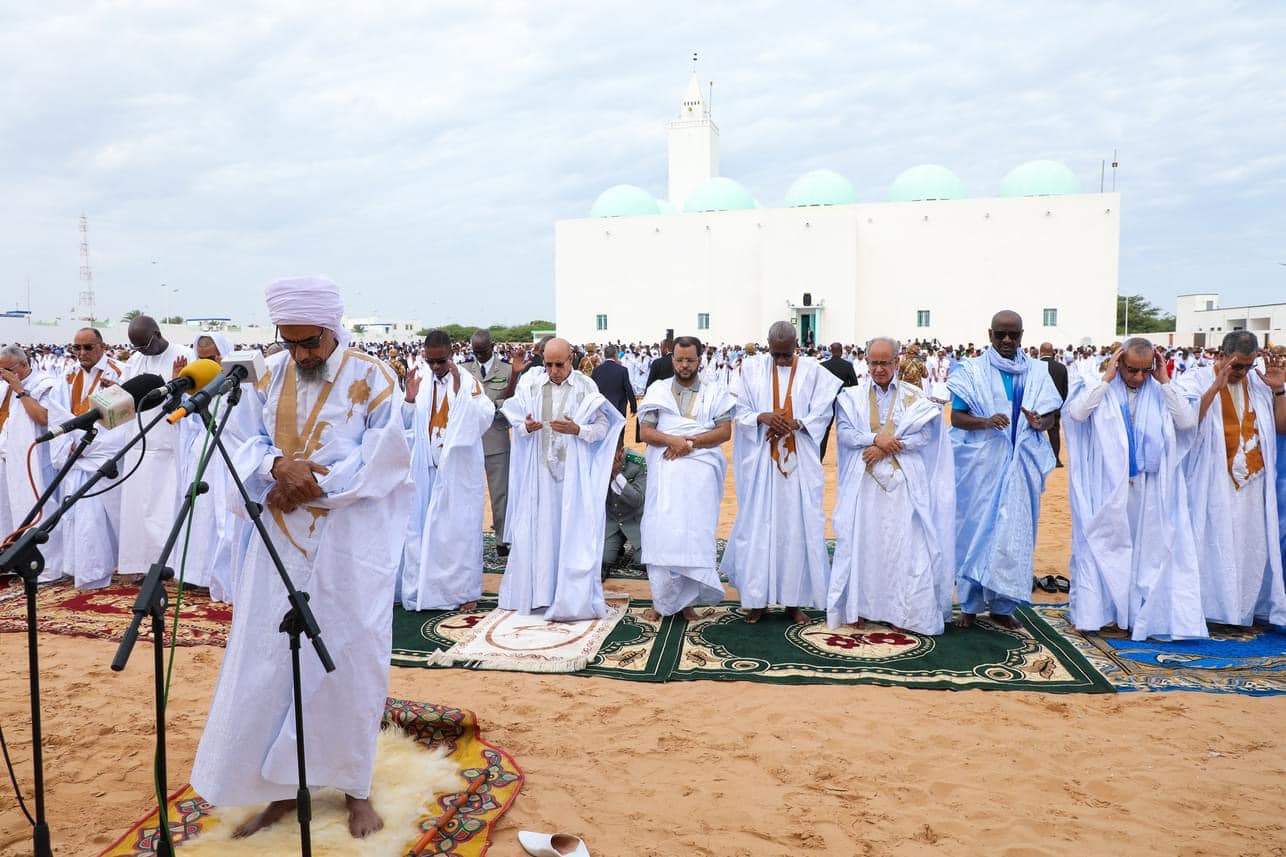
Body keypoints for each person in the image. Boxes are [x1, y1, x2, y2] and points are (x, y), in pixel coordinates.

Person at [191, 276, 412, 839]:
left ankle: (355, 787)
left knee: (350, 663)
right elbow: (240, 442)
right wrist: (273, 471)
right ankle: (280, 790)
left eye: (310, 341)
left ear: (333, 329)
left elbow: (386, 459)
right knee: (272, 663)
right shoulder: (265, 374)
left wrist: (316, 484)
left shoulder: (375, 377)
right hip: (278, 543)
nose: (301, 353)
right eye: (290, 342)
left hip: (348, 544)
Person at [1063, 339, 1206, 640]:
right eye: (1131, 370)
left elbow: (1186, 421)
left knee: (1145, 554)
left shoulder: (1161, 390)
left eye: (1145, 371)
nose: (1138, 378)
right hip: (1107, 486)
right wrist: (1106, 379)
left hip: (1148, 488)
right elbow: (1077, 413)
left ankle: (1136, 616)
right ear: (1118, 363)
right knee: (1102, 548)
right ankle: (1096, 614)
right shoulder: (1098, 386)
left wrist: (1164, 381)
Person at [826, 338, 955, 634]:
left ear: (897, 362)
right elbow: (845, 434)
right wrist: (874, 440)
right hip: (865, 485)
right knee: (864, 544)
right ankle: (860, 608)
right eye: (874, 363)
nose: (879, 369)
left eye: (885, 363)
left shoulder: (914, 397)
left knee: (904, 546)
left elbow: (925, 438)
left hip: (903, 484)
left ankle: (903, 612)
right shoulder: (852, 397)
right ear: (866, 363)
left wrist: (887, 448)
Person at [947, 311, 1063, 629]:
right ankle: (969, 607)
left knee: (1014, 535)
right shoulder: (970, 371)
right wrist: (985, 422)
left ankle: (1002, 606)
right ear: (990, 335)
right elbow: (957, 418)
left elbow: (1051, 417)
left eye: (1013, 335)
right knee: (974, 532)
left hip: (1022, 467)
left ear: (1022, 335)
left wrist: (1041, 423)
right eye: (1001, 335)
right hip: (980, 469)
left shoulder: (1038, 373)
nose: (1007, 341)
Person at [721, 321, 842, 624]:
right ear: (768, 346)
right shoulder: (749, 369)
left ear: (797, 346)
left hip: (799, 465)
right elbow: (735, 407)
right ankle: (756, 600)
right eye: (777, 355)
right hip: (762, 464)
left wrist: (797, 423)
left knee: (796, 529)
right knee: (760, 527)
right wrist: (762, 416)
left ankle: (793, 602)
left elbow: (824, 412)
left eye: (787, 355)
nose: (782, 361)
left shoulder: (814, 370)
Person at [498, 337, 625, 621]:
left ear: (572, 360)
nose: (553, 370)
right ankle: (540, 594)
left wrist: (578, 429)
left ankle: (570, 596)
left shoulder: (586, 387)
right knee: (539, 531)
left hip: (573, 478)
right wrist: (525, 427)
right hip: (538, 477)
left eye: (559, 364)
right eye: (548, 364)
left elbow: (604, 426)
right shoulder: (531, 384)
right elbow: (513, 415)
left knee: (572, 533)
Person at [1173, 332, 1286, 627]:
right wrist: (1215, 386)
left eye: (1248, 366)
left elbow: (1281, 427)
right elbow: (1183, 422)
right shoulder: (1193, 380)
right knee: (1211, 541)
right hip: (1210, 480)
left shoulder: (1259, 385)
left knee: (1248, 543)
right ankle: (1210, 609)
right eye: (1237, 366)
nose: (1242, 373)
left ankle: (1241, 610)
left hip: (1252, 482)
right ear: (1221, 355)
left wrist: (1279, 390)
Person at [638, 336, 735, 620]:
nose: (684, 365)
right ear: (672, 359)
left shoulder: (715, 391)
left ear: (699, 360)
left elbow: (724, 432)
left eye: (690, 360)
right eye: (679, 360)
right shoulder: (657, 390)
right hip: (665, 475)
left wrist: (689, 444)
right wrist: (673, 440)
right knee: (662, 533)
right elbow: (646, 432)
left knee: (693, 535)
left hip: (700, 475)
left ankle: (687, 603)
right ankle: (661, 602)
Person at [399, 330, 495, 612]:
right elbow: (402, 424)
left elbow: (484, 417)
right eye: (432, 362)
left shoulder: (467, 382)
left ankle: (460, 592)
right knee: (419, 530)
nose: (437, 367)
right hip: (424, 471)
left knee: (458, 532)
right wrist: (408, 399)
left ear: (452, 355)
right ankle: (421, 590)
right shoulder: (419, 379)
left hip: (456, 474)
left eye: (441, 361)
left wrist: (457, 394)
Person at [49, 327, 126, 589]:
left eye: (88, 347)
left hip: (102, 457)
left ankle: (110, 568)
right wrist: (69, 442)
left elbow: (122, 420)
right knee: (81, 516)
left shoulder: (118, 373)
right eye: (77, 348)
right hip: (75, 455)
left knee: (106, 517)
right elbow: (58, 413)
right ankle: (86, 568)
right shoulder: (68, 375)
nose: (81, 353)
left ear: (102, 347)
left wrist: (87, 445)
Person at [117, 315, 188, 577]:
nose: (142, 351)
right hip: (138, 442)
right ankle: (141, 564)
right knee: (137, 509)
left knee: (164, 510)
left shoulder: (184, 355)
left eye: (144, 345)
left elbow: (193, 398)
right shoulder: (135, 360)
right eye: (136, 347)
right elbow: (125, 397)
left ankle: (169, 565)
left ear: (157, 334)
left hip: (169, 446)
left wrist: (177, 383)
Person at [172, 334, 240, 599]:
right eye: (201, 359)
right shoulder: (197, 384)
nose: (207, 364)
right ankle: (193, 573)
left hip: (225, 455)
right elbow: (183, 421)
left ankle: (218, 575)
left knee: (220, 516)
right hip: (199, 453)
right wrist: (180, 388)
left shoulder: (237, 384)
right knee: (197, 514)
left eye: (211, 358)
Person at [0, 345, 62, 552]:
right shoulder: (4, 386)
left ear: (24, 364)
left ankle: (45, 563)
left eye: (7, 370)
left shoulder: (46, 384)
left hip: (36, 461)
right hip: (10, 460)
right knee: (11, 509)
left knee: (37, 508)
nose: (3, 375)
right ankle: (11, 554)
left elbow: (45, 418)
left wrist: (20, 390)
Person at [462, 330, 514, 557]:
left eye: (483, 351)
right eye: (476, 352)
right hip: (469, 442)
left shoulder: (508, 370)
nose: (480, 356)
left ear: (492, 347)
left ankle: (503, 539)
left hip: (496, 440)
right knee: (466, 494)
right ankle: (467, 540)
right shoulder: (464, 371)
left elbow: (515, 403)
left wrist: (492, 407)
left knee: (500, 493)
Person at [602, 438, 646, 577]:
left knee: (644, 561)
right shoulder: (598, 460)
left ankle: (637, 547)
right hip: (612, 522)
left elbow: (637, 501)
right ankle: (616, 546)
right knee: (603, 559)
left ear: (620, 452)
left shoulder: (638, 462)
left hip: (635, 521)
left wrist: (617, 475)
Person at [819, 341, 859, 461]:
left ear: (830, 351)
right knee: (845, 430)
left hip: (827, 402)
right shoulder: (847, 365)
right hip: (843, 402)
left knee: (824, 431)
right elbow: (855, 385)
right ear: (841, 352)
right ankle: (846, 459)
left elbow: (818, 386)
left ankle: (820, 457)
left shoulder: (823, 365)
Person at [1040, 342, 1070, 467]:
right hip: (1055, 406)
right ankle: (1055, 459)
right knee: (1054, 432)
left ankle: (1039, 460)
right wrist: (1060, 404)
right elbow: (1065, 389)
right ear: (1052, 352)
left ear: (1041, 352)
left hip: (1039, 406)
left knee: (1036, 432)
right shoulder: (1061, 368)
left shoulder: (1036, 366)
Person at [591, 347, 637, 418]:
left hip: (602, 408)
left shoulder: (596, 370)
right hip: (619, 408)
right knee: (619, 428)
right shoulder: (622, 370)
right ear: (616, 355)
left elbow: (592, 390)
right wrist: (633, 407)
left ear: (605, 355)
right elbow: (628, 389)